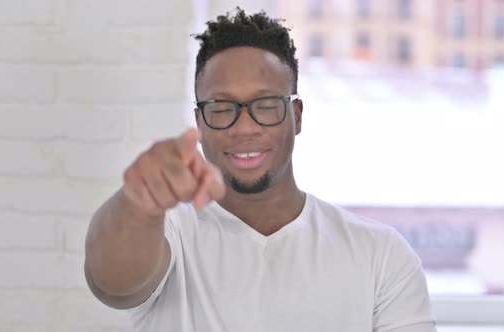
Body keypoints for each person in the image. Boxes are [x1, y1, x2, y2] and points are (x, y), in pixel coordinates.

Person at [84, 8, 437, 332]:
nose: (243, 127)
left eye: (265, 105)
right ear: (199, 123)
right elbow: (113, 284)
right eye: (222, 108)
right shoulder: (168, 231)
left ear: (296, 116)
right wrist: (138, 203)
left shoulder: (380, 254)